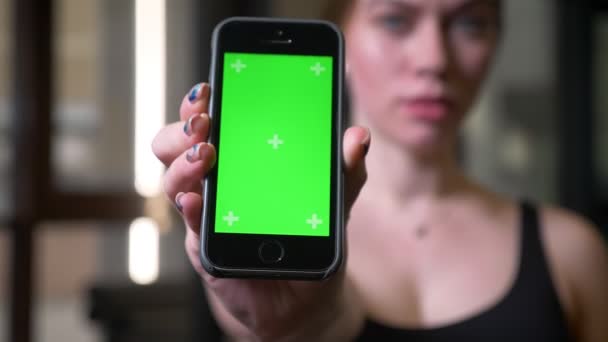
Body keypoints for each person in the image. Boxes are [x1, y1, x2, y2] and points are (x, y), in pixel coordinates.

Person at [152, 0, 608, 340]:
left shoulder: (573, 253)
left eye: (470, 23)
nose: (434, 60)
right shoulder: (263, 255)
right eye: (395, 20)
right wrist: (301, 327)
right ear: (340, 32)